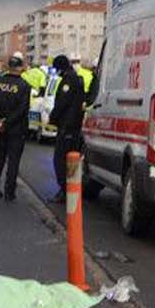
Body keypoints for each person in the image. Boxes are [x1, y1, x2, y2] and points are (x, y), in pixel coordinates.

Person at [0, 54, 32, 201]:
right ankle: (9, 192)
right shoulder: (24, 86)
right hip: (16, 129)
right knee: (13, 161)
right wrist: (7, 122)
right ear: (20, 67)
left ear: (8, 67)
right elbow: (22, 109)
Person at [48, 53, 86, 202]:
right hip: (74, 127)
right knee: (72, 160)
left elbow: (62, 103)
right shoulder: (77, 78)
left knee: (60, 160)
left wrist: (53, 118)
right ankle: (72, 191)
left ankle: (64, 190)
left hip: (67, 127)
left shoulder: (68, 80)